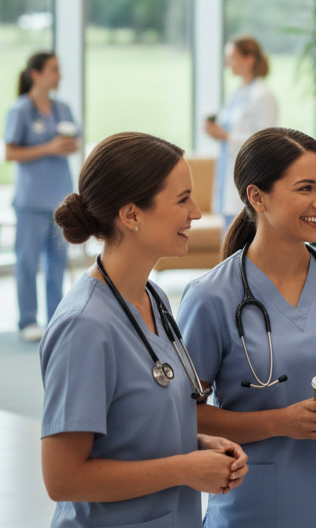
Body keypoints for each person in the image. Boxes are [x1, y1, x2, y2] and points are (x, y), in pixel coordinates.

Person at [177, 127, 316, 527]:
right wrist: (281, 422)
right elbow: (186, 415)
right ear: (257, 196)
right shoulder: (211, 297)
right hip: (254, 505)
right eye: (305, 188)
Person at [41, 132, 249, 527]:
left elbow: (135, 435)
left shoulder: (153, 298)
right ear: (132, 214)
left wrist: (199, 446)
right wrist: (185, 468)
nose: (197, 212)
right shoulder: (84, 325)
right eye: (182, 199)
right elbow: (62, 478)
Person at [5, 51, 80, 342]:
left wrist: (67, 146)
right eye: (53, 70)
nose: (59, 76)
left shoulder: (63, 108)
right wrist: (48, 148)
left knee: (58, 264)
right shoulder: (21, 110)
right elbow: (10, 152)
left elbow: (74, 142)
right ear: (35, 74)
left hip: (60, 199)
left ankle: (56, 318)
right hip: (30, 201)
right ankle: (27, 321)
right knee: (26, 262)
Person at [205, 35, 278, 228]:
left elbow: (265, 140)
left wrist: (227, 137)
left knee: (240, 238)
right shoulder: (238, 93)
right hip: (229, 173)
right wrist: (217, 132)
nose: (227, 63)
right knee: (228, 241)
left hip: (247, 175)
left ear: (249, 59)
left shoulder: (262, 94)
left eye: (232, 58)